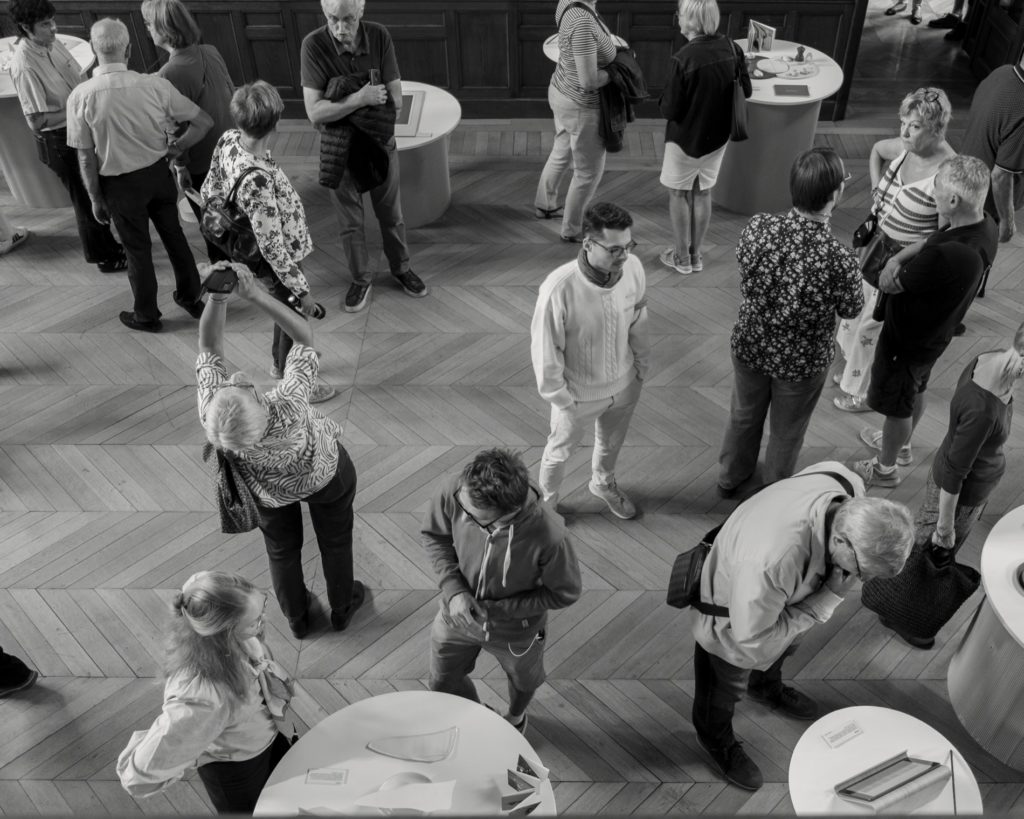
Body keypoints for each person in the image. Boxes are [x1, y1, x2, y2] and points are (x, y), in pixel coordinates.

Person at [693, 462, 914, 791]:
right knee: (722, 687)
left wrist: (813, 606)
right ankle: (715, 738)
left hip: (781, 598)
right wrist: (824, 600)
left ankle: (764, 687)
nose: (863, 580)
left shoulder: (846, 482)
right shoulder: (772, 559)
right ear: (839, 539)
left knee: (784, 647)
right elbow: (752, 642)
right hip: (734, 621)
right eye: (864, 571)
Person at [197, 263, 363, 639]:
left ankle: (298, 618)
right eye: (242, 386)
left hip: (269, 494)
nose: (237, 377)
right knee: (336, 540)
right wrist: (253, 294)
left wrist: (218, 298)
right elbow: (303, 336)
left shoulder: (212, 414)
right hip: (325, 473)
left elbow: (209, 347)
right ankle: (342, 607)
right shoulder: (287, 403)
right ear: (259, 399)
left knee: (281, 552)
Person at [866, 321, 1024, 648]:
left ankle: (896, 605)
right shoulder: (983, 409)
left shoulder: (990, 358)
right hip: (960, 496)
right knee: (931, 556)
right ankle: (901, 612)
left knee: (924, 553)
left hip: (965, 484)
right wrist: (946, 527)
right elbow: (954, 471)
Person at [718, 148, 862, 498]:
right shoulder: (838, 258)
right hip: (801, 361)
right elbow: (852, 309)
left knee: (743, 415)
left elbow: (743, 267)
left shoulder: (758, 227)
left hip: (751, 344)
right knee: (787, 430)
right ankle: (774, 491)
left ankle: (729, 476)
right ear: (835, 195)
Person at [854, 156, 998, 488]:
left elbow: (890, 283)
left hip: (907, 340)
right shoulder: (982, 225)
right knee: (915, 388)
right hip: (935, 334)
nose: (931, 191)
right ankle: (901, 446)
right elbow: (933, 238)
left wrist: (892, 264)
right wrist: (900, 256)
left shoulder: (945, 257)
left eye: (936, 187)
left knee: (898, 405)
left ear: (952, 200)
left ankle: (885, 468)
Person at [66, 18, 212, 333]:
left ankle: (147, 315)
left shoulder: (81, 96)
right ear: (129, 49)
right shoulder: (154, 85)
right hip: (158, 175)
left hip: (120, 186)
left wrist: (94, 198)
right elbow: (203, 121)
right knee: (175, 238)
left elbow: (85, 156)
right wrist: (176, 150)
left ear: (93, 49)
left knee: (138, 250)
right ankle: (192, 299)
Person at [421, 448, 581, 734]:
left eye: (473, 516)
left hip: (518, 631)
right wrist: (455, 591)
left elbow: (564, 592)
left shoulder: (550, 535)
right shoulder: (457, 491)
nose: (463, 513)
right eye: (462, 504)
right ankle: (475, 717)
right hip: (455, 616)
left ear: (507, 514)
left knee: (524, 682)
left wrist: (496, 611)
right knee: (441, 683)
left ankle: (516, 718)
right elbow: (435, 536)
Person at [202, 81, 335, 403]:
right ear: (275, 124)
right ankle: (296, 379)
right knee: (293, 312)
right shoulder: (259, 179)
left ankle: (280, 363)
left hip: (249, 249)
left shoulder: (229, 140)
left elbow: (211, 187)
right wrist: (302, 290)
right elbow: (273, 245)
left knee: (281, 306)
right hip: (278, 259)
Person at [116, 571, 293, 813]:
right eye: (254, 621)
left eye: (261, 609)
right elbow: (145, 767)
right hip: (239, 768)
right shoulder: (202, 695)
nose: (263, 620)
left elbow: (200, 585)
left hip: (268, 734)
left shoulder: (209, 603)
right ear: (223, 632)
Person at [300, 0, 427, 314]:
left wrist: (337, 98)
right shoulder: (313, 45)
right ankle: (360, 279)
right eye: (333, 20)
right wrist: (361, 97)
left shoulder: (379, 35)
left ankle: (401, 268)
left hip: (380, 144)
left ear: (360, 13)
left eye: (348, 20)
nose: (341, 29)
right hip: (339, 150)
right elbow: (315, 113)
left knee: (392, 215)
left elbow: (395, 101)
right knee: (350, 223)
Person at [834, 89, 955, 415]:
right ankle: (851, 369)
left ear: (935, 129)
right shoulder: (904, 148)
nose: (903, 132)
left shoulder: (946, 173)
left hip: (901, 263)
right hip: (876, 247)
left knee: (873, 326)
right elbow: (876, 150)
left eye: (914, 126)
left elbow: (942, 235)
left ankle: (859, 392)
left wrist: (903, 259)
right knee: (856, 311)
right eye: (903, 123)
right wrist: (876, 189)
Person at [530, 201, 649, 519]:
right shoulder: (558, 288)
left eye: (628, 246)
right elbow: (545, 351)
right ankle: (549, 501)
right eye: (614, 250)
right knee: (558, 453)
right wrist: (561, 400)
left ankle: (603, 483)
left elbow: (639, 319)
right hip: (576, 395)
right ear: (588, 244)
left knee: (611, 443)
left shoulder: (633, 267)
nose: (624, 256)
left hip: (625, 385)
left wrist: (640, 370)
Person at [8, 0, 126, 273]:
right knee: (86, 200)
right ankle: (104, 257)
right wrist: (80, 109)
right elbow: (37, 121)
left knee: (97, 191)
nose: (53, 28)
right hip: (58, 142)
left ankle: (113, 243)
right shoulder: (24, 65)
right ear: (26, 28)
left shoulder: (54, 43)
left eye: (52, 21)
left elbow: (79, 81)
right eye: (45, 24)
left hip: (79, 131)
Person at [658, 0, 750, 275]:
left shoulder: (683, 59)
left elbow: (670, 109)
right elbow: (747, 90)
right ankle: (696, 256)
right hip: (717, 139)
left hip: (684, 141)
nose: (678, 18)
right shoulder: (733, 49)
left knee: (679, 193)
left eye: (682, 14)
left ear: (694, 21)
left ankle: (681, 257)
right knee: (703, 192)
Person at [141, 0, 235, 262]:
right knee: (234, 216)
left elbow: (175, 128)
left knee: (214, 229)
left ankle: (223, 282)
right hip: (232, 149)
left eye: (149, 24)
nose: (148, 30)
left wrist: (180, 166)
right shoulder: (210, 50)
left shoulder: (168, 73)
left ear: (164, 28)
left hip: (203, 162)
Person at [533, 0, 617, 242]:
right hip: (581, 106)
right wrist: (618, 71)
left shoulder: (569, 2)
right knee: (587, 172)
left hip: (561, 92)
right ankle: (572, 230)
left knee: (561, 149)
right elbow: (589, 81)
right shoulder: (581, 21)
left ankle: (545, 204)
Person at [959, 53, 1024, 243]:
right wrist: (1007, 221)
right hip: (983, 208)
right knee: (973, 264)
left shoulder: (1001, 73)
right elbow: (1001, 175)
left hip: (960, 180)